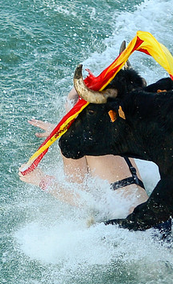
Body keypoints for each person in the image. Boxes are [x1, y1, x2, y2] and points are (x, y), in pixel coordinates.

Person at [19, 90, 150, 215]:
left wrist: (41, 180)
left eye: (69, 102)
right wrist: (61, 130)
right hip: (149, 213)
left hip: (125, 221)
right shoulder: (118, 130)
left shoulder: (74, 144)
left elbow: (81, 199)